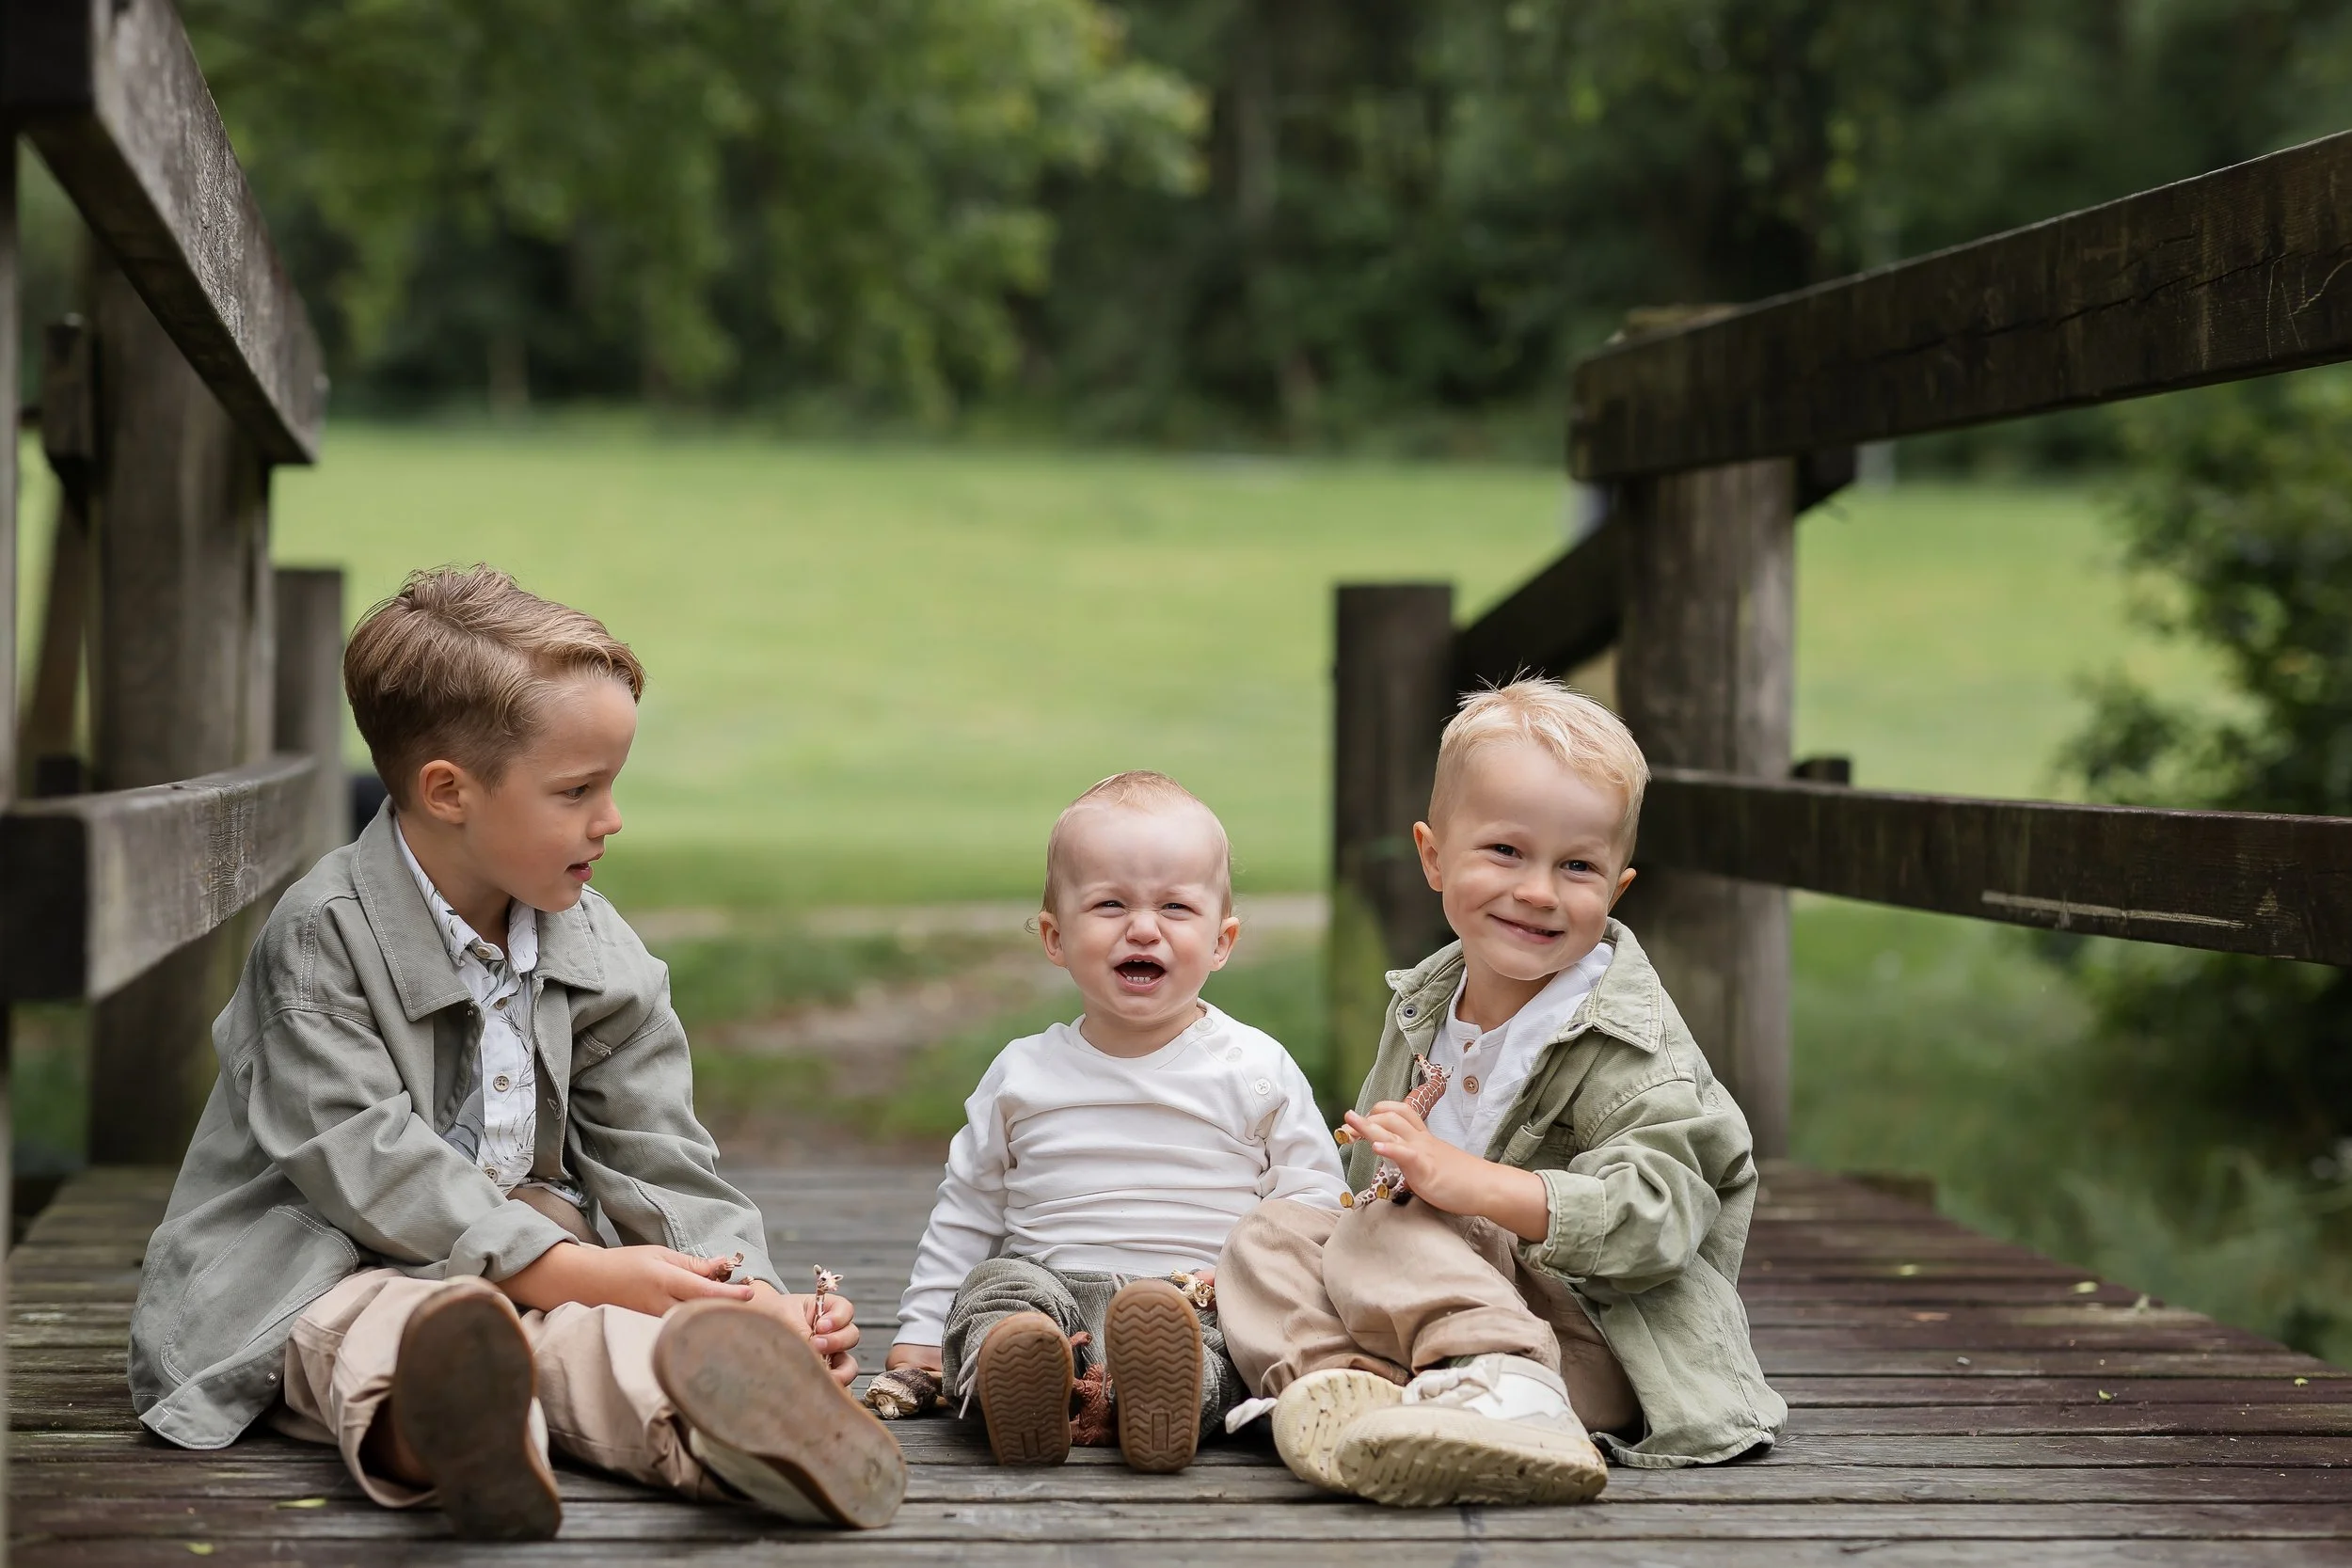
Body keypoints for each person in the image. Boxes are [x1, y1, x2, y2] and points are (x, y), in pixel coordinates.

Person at [126, 565, 906, 1540]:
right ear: (448, 791)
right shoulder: (321, 938)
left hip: (526, 1265)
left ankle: (729, 1433)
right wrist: (573, 1267)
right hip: (320, 1259)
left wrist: (740, 1292)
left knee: (600, 1338)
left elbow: (657, 1154)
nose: (610, 818)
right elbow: (368, 1163)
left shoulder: (596, 948)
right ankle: (446, 1431)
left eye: (611, 785)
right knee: (381, 1331)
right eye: (578, 790)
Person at [1216, 678, 1787, 1508]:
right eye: (1506, 852)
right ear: (1434, 854)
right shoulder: (1426, 1004)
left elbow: (1657, 1221)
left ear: (1617, 888)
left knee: (1384, 1229)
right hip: (1438, 1305)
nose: (1539, 891)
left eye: (1578, 866)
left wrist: (1465, 1184)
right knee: (1269, 1236)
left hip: (1590, 1344)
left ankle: (1517, 1397)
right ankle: (1351, 1393)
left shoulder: (1635, 1047)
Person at [880, 772, 1347, 1472]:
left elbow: (1311, 1204)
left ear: (1222, 941)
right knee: (996, 1297)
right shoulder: (1023, 1072)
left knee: (1223, 1351)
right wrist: (920, 1335)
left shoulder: (1254, 1065)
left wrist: (1294, 1315)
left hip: (1195, 1297)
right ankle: (1025, 1385)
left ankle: (1163, 1402)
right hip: (1050, 1290)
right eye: (1109, 903)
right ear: (1055, 935)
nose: (1143, 926)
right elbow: (968, 1208)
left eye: (1175, 906)